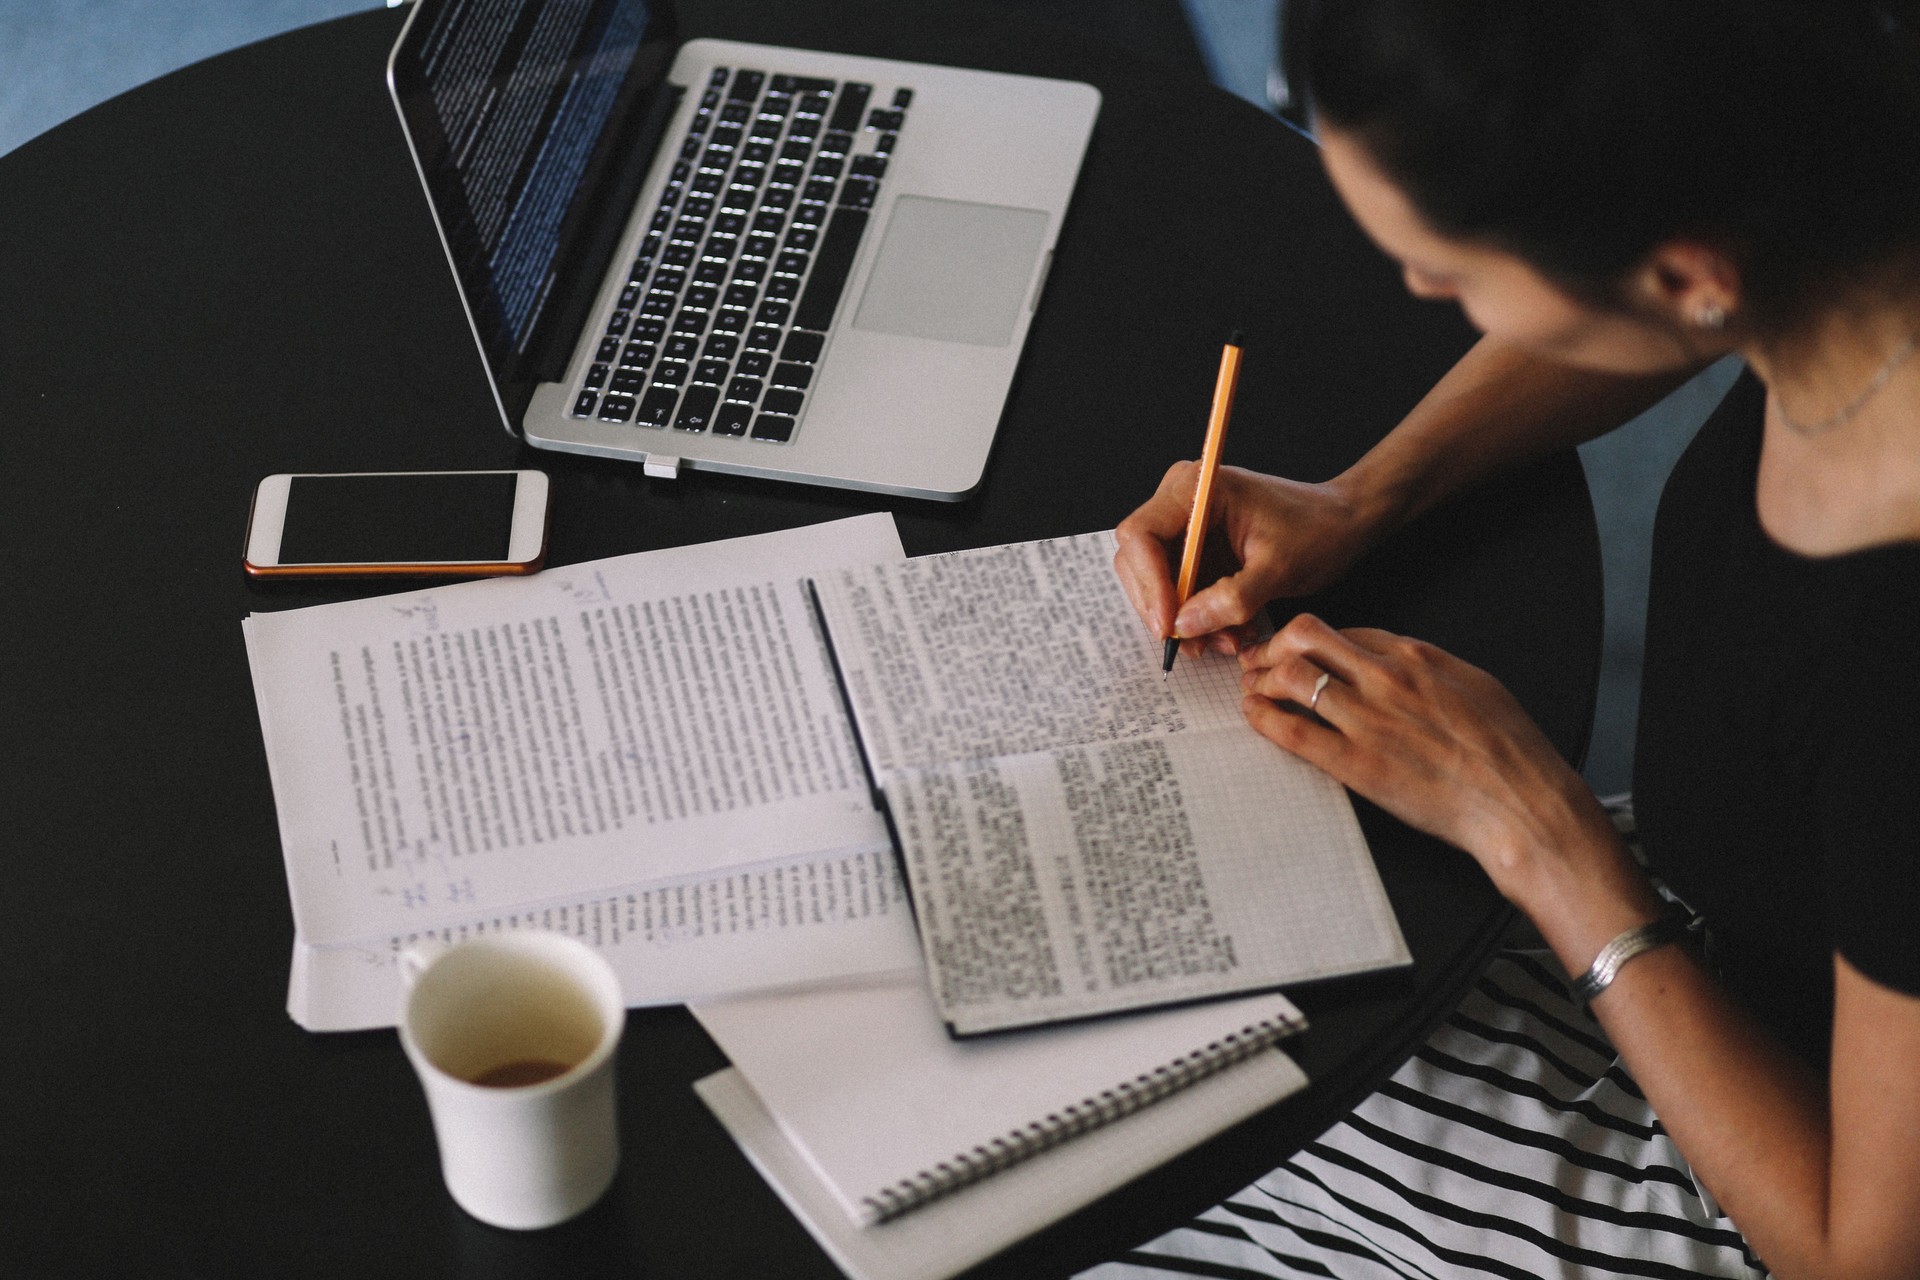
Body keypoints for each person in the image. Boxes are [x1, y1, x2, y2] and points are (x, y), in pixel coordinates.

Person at [1087, 2, 1920, 1277]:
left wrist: (1537, 826)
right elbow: (1683, 296)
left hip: (1787, 1138)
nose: (1427, 292)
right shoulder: (1842, 138)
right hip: (1736, 899)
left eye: (1459, 268)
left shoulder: (1890, 666)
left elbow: (1860, 1249)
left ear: (1687, 271)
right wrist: (1369, 493)